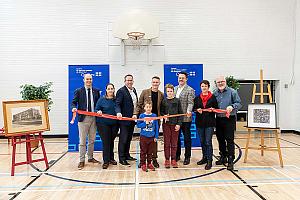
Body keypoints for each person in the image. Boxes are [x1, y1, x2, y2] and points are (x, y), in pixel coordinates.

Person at [71, 73, 101, 170]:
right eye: (87, 79)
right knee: (82, 141)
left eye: (90, 79)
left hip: (94, 118)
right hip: (83, 119)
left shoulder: (96, 91)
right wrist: (74, 108)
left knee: (92, 140)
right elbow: (73, 102)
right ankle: (81, 160)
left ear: (92, 80)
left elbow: (98, 104)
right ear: (83, 80)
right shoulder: (78, 91)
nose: (89, 81)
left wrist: (99, 110)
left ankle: (90, 157)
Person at [134, 76, 164, 168]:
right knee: (144, 144)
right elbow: (139, 105)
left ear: (159, 83)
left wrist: (164, 115)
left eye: (157, 82)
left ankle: (153, 159)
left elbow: (162, 107)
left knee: (153, 142)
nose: (155, 84)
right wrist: (135, 114)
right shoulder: (145, 92)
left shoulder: (161, 94)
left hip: (155, 120)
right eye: (154, 82)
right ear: (151, 83)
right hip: (145, 119)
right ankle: (142, 162)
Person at [214, 76, 242, 170]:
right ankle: (223, 157)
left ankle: (231, 160)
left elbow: (239, 103)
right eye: (218, 82)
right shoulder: (215, 93)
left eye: (222, 81)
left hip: (229, 119)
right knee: (220, 139)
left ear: (225, 82)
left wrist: (232, 106)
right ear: (216, 83)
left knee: (229, 140)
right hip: (218, 119)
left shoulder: (232, 92)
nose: (220, 83)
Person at [193, 80, 218, 170]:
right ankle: (204, 157)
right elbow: (194, 109)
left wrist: (213, 109)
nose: (204, 88)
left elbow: (217, 108)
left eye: (205, 86)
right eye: (202, 86)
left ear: (208, 87)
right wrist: (197, 110)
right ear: (200, 87)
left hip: (209, 123)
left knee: (208, 142)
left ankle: (209, 160)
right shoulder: (197, 98)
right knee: (202, 141)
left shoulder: (213, 97)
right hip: (200, 123)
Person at [115, 74, 138, 166]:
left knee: (129, 138)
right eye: (128, 80)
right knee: (123, 139)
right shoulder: (121, 91)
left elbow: (135, 104)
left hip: (132, 119)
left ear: (133, 81)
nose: (129, 82)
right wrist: (118, 113)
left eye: (131, 80)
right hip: (124, 120)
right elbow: (117, 104)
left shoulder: (134, 90)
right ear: (125, 81)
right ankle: (121, 158)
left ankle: (127, 155)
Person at [95, 83, 119, 169]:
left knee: (111, 141)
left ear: (114, 90)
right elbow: (96, 109)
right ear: (106, 90)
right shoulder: (101, 100)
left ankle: (111, 158)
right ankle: (105, 161)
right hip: (103, 124)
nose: (110, 90)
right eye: (108, 89)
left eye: (112, 88)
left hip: (114, 124)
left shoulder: (116, 100)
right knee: (106, 142)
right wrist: (98, 111)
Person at [174, 71, 195, 165]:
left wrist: (189, 111)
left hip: (186, 118)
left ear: (186, 79)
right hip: (176, 118)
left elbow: (191, 103)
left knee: (187, 138)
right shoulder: (174, 89)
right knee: (176, 138)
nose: (181, 79)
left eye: (183, 78)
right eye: (179, 77)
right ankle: (177, 155)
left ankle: (187, 157)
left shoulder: (190, 90)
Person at [160, 84, 183, 168]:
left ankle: (173, 159)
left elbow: (181, 113)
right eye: (168, 91)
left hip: (175, 125)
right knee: (166, 143)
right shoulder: (164, 101)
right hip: (166, 125)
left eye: (171, 91)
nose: (169, 93)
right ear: (166, 92)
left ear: (173, 91)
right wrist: (164, 115)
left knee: (174, 143)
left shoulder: (177, 101)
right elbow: (161, 112)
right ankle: (167, 159)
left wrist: (179, 124)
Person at [137, 101, 159, 172]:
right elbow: (138, 125)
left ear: (151, 108)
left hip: (151, 137)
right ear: (144, 108)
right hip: (143, 137)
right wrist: (144, 123)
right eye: (147, 107)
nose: (148, 108)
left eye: (150, 107)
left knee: (150, 151)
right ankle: (143, 164)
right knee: (143, 151)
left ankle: (149, 163)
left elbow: (156, 127)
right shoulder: (142, 116)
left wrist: (156, 136)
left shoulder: (154, 116)